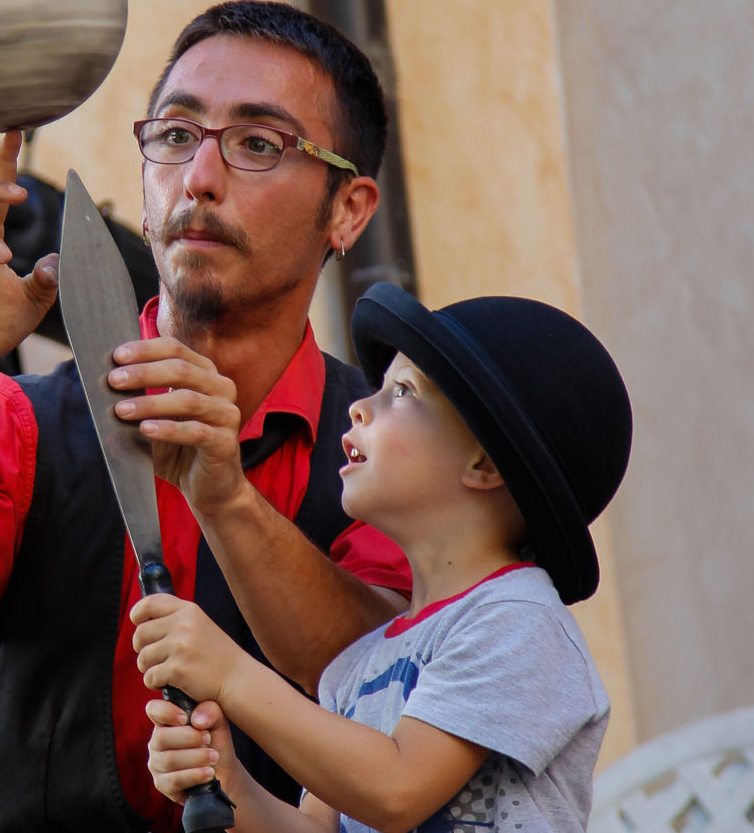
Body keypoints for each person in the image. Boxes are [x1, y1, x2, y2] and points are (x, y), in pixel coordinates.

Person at [0, 1, 415, 831]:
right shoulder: (17, 423)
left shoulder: (393, 445)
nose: (200, 178)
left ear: (349, 210)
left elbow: (396, 672)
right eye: (177, 136)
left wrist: (229, 503)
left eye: (258, 144)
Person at [137, 282, 633, 833]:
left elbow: (397, 791)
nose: (358, 406)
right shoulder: (359, 662)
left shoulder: (518, 620)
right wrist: (229, 785)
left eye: (401, 391)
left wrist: (230, 675)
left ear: (485, 464)